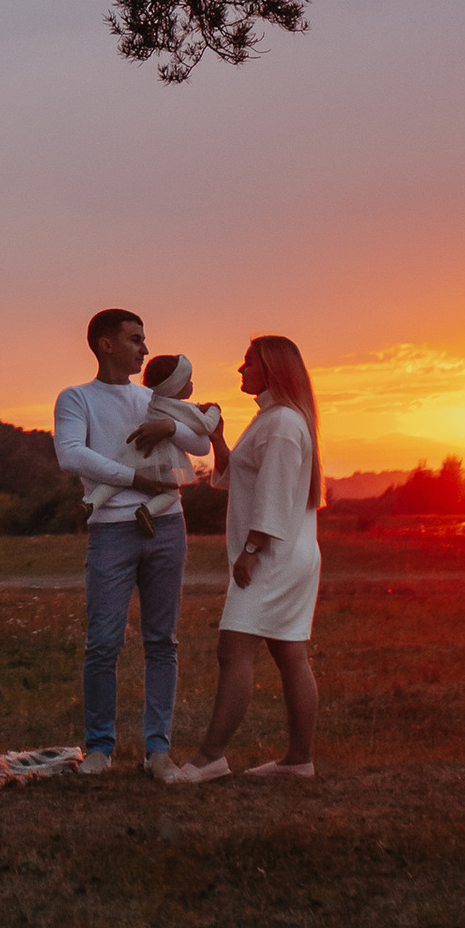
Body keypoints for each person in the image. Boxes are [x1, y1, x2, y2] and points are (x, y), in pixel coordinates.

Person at [52, 310, 225, 779]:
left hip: (168, 528)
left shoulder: (153, 398)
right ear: (105, 344)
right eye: (135, 340)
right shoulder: (76, 399)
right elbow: (71, 454)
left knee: (162, 642)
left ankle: (157, 751)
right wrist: (136, 479)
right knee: (103, 643)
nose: (145, 350)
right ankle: (100, 749)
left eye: (144, 340)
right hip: (111, 531)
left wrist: (169, 429)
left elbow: (200, 443)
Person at [167, 335, 323, 783]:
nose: (240, 369)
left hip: (272, 557)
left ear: (271, 368)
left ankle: (209, 758)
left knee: (233, 650)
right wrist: (217, 437)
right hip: (288, 554)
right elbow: (240, 476)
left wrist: (252, 550)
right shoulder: (275, 418)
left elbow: (272, 494)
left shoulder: (281, 423)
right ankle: (298, 760)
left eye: (248, 362)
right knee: (290, 654)